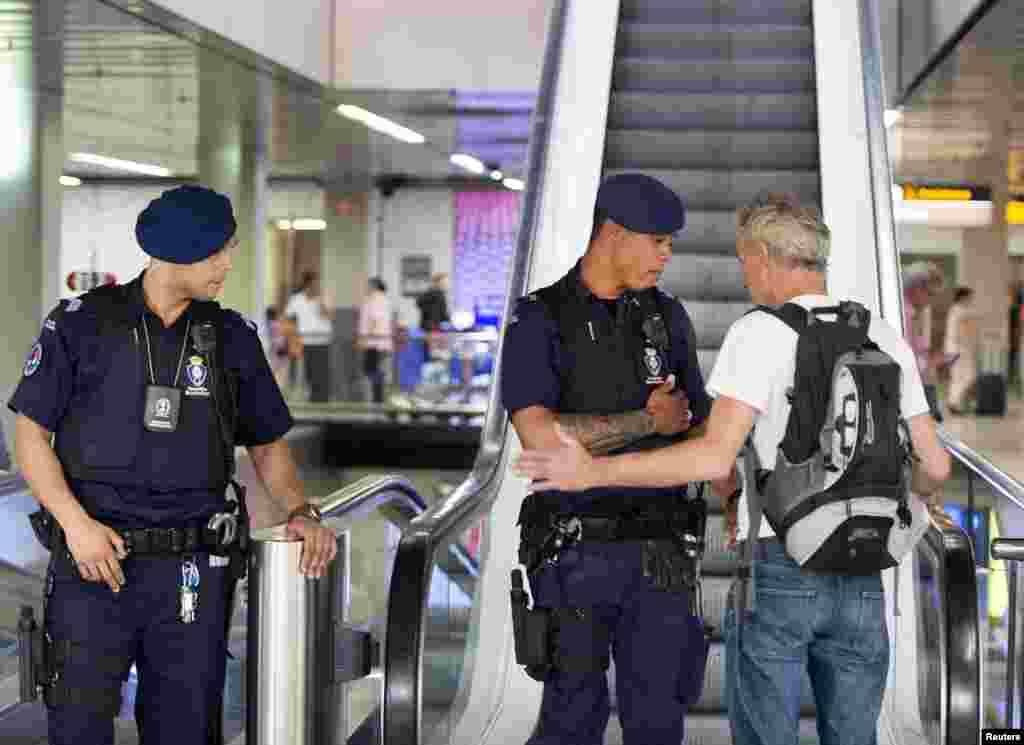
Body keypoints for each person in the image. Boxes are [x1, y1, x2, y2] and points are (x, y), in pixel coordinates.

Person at [515, 193, 952, 745]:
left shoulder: (759, 333)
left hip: (779, 563)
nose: (746, 277)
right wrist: (912, 498)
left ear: (766, 258)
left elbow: (712, 456)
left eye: (746, 263)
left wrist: (591, 474)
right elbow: (934, 464)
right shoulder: (883, 335)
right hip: (865, 570)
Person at [8, 184, 338, 745]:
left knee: (185, 729)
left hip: (193, 569)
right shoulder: (81, 325)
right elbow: (31, 435)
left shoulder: (231, 338)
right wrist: (75, 524)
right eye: (218, 251)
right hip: (94, 562)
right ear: (179, 250)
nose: (228, 263)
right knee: (78, 724)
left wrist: (300, 510)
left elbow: (267, 444)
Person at [502, 172, 717, 745]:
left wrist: (732, 490)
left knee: (657, 724)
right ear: (615, 233)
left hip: (662, 554)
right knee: (571, 720)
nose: (667, 255)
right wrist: (648, 422)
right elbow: (541, 440)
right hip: (574, 554)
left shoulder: (666, 319)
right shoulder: (539, 319)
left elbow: (702, 422)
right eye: (658, 241)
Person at [284, 270, 335, 402]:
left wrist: (321, 301)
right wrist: (293, 337)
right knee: (309, 374)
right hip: (305, 342)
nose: (316, 287)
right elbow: (288, 318)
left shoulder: (324, 297)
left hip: (323, 341)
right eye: (314, 284)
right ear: (307, 284)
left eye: (318, 284)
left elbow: (329, 316)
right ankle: (311, 400)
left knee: (322, 374)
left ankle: (322, 401)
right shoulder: (296, 299)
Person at [903, 262, 943, 420]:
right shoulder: (904, 313)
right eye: (930, 294)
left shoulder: (911, 312)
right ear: (917, 288)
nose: (929, 301)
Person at [358, 277, 394, 403]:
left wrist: (364, 339)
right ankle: (378, 397)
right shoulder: (384, 299)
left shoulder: (375, 299)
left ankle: (377, 398)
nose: (366, 288)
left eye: (368, 285)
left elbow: (375, 319)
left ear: (374, 286)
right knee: (376, 369)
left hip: (374, 342)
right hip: (381, 342)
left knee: (372, 370)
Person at [944, 286, 978, 415]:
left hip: (950, 349)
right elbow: (966, 332)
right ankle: (953, 403)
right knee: (968, 376)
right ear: (963, 297)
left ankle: (953, 403)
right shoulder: (962, 312)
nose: (971, 300)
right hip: (959, 350)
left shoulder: (953, 310)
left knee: (956, 377)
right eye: (970, 297)